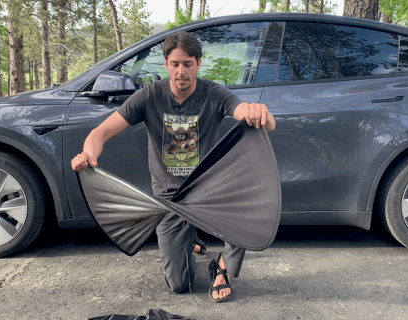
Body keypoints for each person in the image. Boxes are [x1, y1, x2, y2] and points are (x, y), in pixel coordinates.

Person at [71, 31, 276, 302]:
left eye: (188, 64)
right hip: (170, 199)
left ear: (199, 63)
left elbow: (256, 119)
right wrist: (88, 153)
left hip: (210, 192)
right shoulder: (149, 96)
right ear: (166, 64)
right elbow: (101, 132)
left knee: (246, 209)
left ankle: (223, 266)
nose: (181, 71)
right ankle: (188, 239)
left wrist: (260, 113)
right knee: (179, 284)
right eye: (175, 64)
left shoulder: (213, 94)